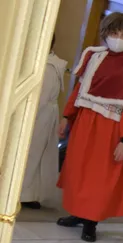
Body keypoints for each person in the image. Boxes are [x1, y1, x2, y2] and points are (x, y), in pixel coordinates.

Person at [55, 12, 123, 242]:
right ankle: (78, 213)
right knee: (79, 170)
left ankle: (91, 222)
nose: (118, 38)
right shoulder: (94, 57)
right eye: (114, 33)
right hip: (85, 122)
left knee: (100, 177)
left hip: (111, 128)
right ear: (105, 33)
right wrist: (67, 117)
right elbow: (79, 90)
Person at [20, 35, 65, 210]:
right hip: (37, 111)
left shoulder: (50, 65)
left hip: (40, 113)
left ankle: (26, 193)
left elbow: (43, 96)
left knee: (33, 153)